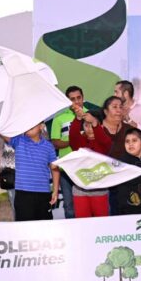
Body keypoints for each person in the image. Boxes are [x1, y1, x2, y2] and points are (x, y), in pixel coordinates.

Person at [0, 111, 59, 221]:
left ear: (41, 126)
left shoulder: (49, 146)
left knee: (44, 226)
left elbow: (55, 169)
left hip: (43, 193)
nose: (29, 125)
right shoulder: (18, 141)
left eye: (33, 122)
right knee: (24, 226)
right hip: (23, 195)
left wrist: (55, 190)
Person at [67, 96, 134, 216]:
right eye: (86, 125)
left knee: (102, 222)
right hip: (80, 189)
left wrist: (94, 122)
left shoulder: (104, 142)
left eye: (92, 125)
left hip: (99, 190)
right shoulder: (80, 142)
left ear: (100, 126)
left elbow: (104, 141)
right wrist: (78, 118)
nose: (89, 128)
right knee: (83, 222)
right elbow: (73, 137)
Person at [51, 85, 88, 219]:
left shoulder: (91, 115)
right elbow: (55, 142)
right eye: (72, 99)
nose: (76, 101)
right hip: (66, 168)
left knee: (86, 204)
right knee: (69, 206)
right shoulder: (59, 117)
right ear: (67, 101)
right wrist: (72, 141)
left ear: (83, 98)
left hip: (86, 167)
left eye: (79, 98)